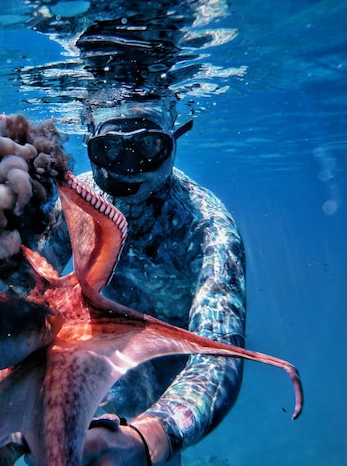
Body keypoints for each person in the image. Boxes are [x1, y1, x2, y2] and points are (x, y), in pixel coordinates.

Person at [33, 106, 247, 465]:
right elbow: (30, 291)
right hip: (88, 381)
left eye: (148, 147)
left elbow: (218, 352)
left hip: (164, 396)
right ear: (89, 141)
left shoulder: (209, 230)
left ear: (174, 141)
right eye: (111, 148)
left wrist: (147, 436)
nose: (128, 166)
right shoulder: (78, 199)